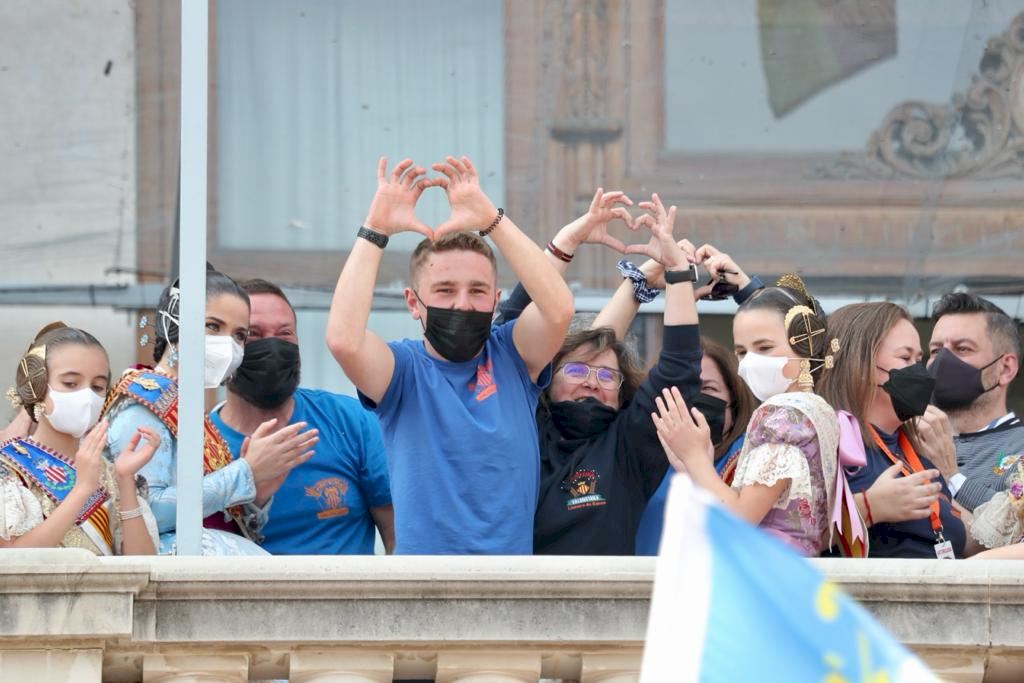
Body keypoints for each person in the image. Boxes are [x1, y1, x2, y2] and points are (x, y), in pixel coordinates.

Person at [326, 156, 574, 555]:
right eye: (444, 290)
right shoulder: (402, 372)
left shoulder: (513, 356)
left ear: (496, 300)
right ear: (413, 302)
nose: (462, 304)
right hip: (425, 583)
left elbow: (558, 309)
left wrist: (491, 220)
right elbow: (344, 340)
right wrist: (375, 229)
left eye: (477, 291)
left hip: (510, 581)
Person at [493, 191, 703, 555]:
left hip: (602, 592)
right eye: (576, 370)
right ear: (548, 378)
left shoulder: (626, 445)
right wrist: (565, 243)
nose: (592, 382)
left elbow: (678, 371)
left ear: (621, 394)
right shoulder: (528, 425)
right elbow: (508, 339)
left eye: (607, 376)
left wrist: (678, 274)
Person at [104, 267, 318, 555]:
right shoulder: (144, 403)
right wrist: (245, 472)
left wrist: (256, 489)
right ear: (174, 323)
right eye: (213, 326)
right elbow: (146, 513)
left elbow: (215, 515)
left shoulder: (185, 403)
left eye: (239, 335)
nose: (228, 343)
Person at [655, 276, 861, 557]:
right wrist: (695, 468)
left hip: (767, 566)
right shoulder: (819, 412)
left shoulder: (781, 418)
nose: (751, 360)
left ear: (807, 346)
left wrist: (694, 457)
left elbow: (739, 519)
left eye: (764, 348)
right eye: (742, 351)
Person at [209, 278, 394, 555]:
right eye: (253, 334)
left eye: (284, 334)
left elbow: (399, 536)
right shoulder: (201, 445)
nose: (272, 346)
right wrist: (246, 480)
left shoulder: (349, 421)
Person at [817, 302, 971, 559]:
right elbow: (779, 538)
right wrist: (868, 507)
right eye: (905, 358)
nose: (919, 371)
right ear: (859, 364)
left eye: (919, 360)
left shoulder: (918, 453)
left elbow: (967, 540)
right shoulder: (825, 440)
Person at [1, 323, 160, 554]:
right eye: (70, 384)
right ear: (36, 387)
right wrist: (82, 489)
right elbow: (12, 560)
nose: (87, 396)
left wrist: (125, 481)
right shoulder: (9, 468)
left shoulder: (109, 474)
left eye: (97, 386)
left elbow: (143, 564)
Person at [635, 337, 756, 555]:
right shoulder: (637, 455)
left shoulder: (752, 455)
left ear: (734, 400)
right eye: (678, 389)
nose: (692, 397)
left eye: (708, 388)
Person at [925, 292, 1023, 512]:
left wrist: (951, 475)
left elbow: (1014, 524)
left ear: (1005, 368)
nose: (943, 361)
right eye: (936, 351)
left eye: (962, 349)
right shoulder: (909, 441)